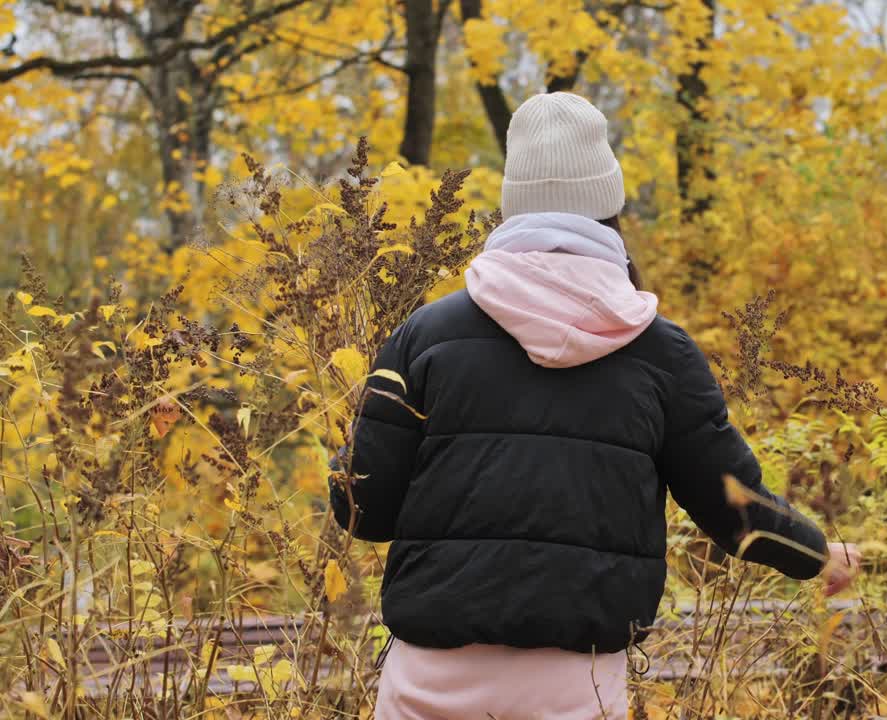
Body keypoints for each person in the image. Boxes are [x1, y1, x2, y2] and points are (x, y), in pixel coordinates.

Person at [330, 91, 859, 720]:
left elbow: (363, 509)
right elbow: (732, 505)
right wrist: (817, 554)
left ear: (511, 202)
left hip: (428, 680)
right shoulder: (662, 353)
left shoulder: (425, 336)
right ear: (610, 203)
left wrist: (351, 440)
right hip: (577, 681)